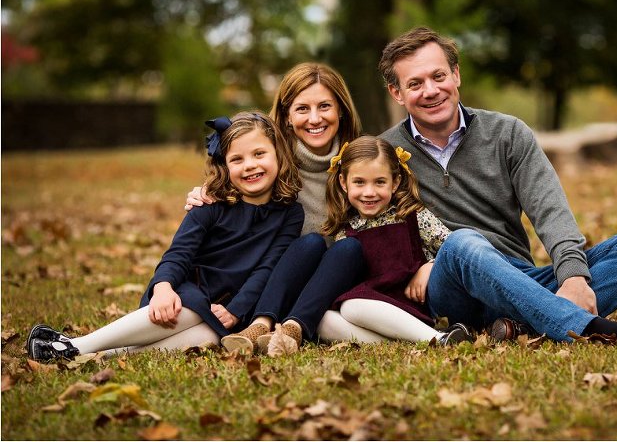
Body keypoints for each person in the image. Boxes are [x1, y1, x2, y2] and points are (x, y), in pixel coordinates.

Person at [377, 27, 617, 344]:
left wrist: (572, 276)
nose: (431, 91)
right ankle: (587, 329)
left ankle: (519, 325)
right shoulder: (384, 154)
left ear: (456, 75)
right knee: (461, 243)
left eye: (438, 76)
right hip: (449, 284)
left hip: (520, 277)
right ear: (397, 93)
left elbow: (550, 209)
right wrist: (417, 268)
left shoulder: (507, 133)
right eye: (415, 84)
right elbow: (371, 231)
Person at [26, 111, 304, 361]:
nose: (249, 166)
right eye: (237, 159)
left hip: (228, 305)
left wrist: (237, 309)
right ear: (224, 165)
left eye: (259, 154)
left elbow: (270, 265)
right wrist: (163, 287)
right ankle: (78, 345)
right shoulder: (210, 203)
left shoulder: (290, 213)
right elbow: (180, 251)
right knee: (192, 307)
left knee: (209, 339)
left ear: (278, 153)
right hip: (187, 289)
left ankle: (85, 354)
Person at [188, 63, 367, 355]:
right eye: (302, 109)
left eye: (325, 106)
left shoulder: (363, 164)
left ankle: (293, 329)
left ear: (342, 110)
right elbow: (231, 185)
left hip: (337, 285)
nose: (314, 119)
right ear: (285, 116)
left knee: (349, 248)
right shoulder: (270, 165)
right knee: (309, 242)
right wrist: (205, 193)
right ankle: (261, 324)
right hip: (274, 285)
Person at [315, 136, 473, 345]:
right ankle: (416, 341)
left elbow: (453, 249)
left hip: (407, 305)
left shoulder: (412, 215)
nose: (369, 192)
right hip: (367, 309)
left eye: (380, 182)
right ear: (344, 183)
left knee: (351, 307)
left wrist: (430, 266)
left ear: (395, 182)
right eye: (359, 182)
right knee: (321, 320)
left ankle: (436, 338)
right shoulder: (344, 231)